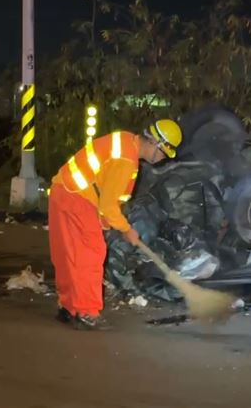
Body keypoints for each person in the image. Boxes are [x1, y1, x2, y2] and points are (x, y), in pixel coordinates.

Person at [48, 119, 183, 330]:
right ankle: (86, 312)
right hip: (78, 198)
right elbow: (109, 205)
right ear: (156, 145)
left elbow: (104, 186)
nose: (163, 159)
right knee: (92, 253)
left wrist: (104, 221)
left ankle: (68, 308)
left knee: (69, 253)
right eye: (164, 153)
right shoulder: (127, 160)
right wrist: (127, 229)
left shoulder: (126, 141)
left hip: (63, 189)